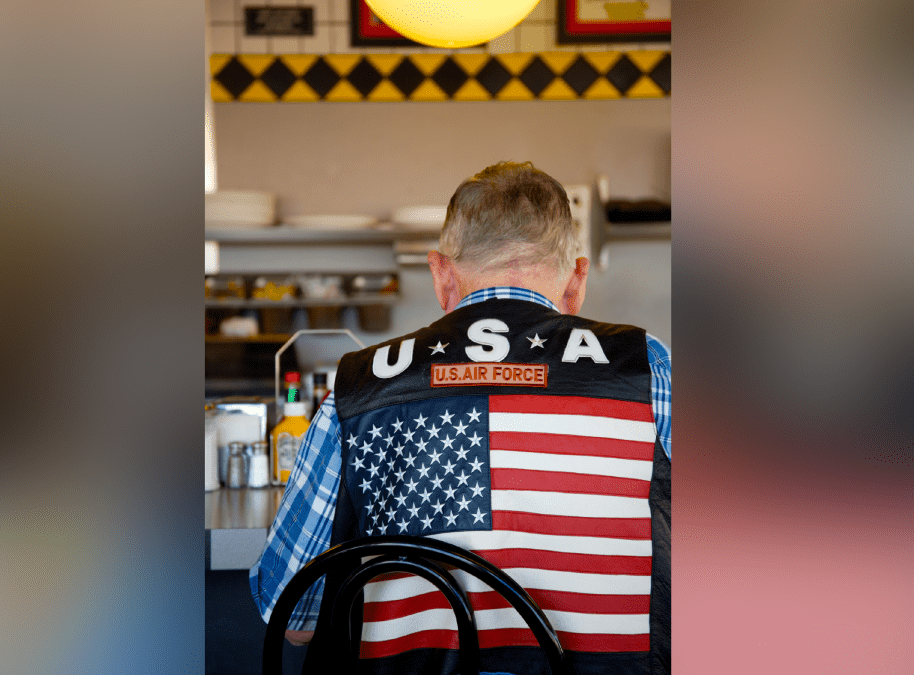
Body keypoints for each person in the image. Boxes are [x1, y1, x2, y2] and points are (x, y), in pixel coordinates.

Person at [251, 161, 671, 675]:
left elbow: (292, 616)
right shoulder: (648, 367)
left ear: (440, 273)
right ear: (576, 279)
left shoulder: (359, 384)